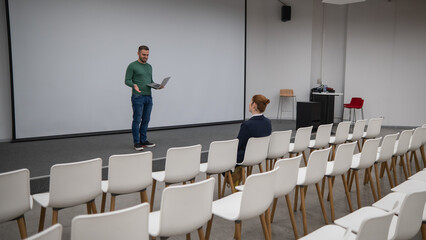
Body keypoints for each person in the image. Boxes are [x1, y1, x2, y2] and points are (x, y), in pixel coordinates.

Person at [125, 45, 162, 151]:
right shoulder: (132, 66)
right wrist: (134, 85)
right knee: (137, 120)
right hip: (138, 97)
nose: (146, 57)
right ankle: (136, 142)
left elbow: (150, 81)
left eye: (147, 55)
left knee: (146, 119)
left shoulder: (149, 67)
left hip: (148, 97)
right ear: (138, 53)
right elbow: (127, 80)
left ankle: (143, 140)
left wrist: (157, 87)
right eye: (144, 55)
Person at [236, 94, 272, 163]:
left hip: (247, 156)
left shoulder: (247, 125)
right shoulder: (268, 122)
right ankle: (237, 173)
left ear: (254, 104)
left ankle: (231, 174)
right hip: (261, 155)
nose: (249, 104)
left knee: (223, 155)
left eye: (250, 102)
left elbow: (238, 144)